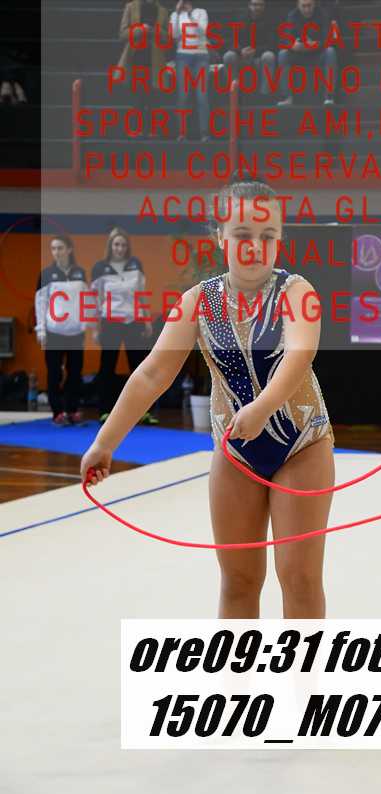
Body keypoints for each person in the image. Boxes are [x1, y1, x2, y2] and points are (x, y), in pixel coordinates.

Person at [80, 171, 336, 619]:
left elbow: (300, 354)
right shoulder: (198, 302)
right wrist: (104, 443)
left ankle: (304, 667)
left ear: (280, 239)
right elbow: (152, 374)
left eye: (267, 235)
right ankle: (237, 667)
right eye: (242, 234)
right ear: (220, 236)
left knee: (299, 577)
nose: (255, 246)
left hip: (301, 445)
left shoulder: (297, 292)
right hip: (236, 451)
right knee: (238, 581)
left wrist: (262, 408)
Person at [90, 227, 159, 425]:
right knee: (107, 367)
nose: (119, 248)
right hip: (110, 322)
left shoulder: (136, 265)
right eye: (116, 244)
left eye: (123, 245)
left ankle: (144, 412)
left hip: (133, 322)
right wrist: (95, 327)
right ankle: (105, 410)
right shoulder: (100, 268)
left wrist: (146, 320)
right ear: (110, 246)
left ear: (127, 247)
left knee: (139, 368)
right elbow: (96, 300)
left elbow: (141, 295)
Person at [35, 235, 88, 426]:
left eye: (60, 248)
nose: (56, 252)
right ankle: (57, 412)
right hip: (53, 332)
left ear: (69, 250)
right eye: (53, 249)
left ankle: (72, 409)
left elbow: (86, 298)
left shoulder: (80, 273)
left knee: (75, 373)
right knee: (54, 373)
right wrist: (41, 329)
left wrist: (85, 323)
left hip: (76, 333)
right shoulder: (46, 274)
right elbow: (40, 302)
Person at [277, 0, 338, 106]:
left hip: (317, 54)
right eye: (304, 6)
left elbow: (329, 39)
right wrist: (293, 45)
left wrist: (315, 44)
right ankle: (287, 97)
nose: (307, 9)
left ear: (314, 4)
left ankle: (329, 96)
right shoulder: (292, 15)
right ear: (298, 5)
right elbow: (285, 39)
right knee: (282, 54)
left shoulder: (323, 14)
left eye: (309, 6)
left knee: (330, 52)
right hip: (299, 54)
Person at [118, 0, 170, 121]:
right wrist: (141, 29)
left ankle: (152, 128)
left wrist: (154, 30)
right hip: (135, 59)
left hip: (155, 61)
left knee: (153, 100)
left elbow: (167, 38)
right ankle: (137, 127)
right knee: (137, 98)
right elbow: (122, 34)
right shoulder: (131, 7)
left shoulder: (163, 11)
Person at [171, 0, 210, 141]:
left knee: (202, 96)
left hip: (201, 56)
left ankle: (204, 133)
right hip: (183, 56)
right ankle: (182, 133)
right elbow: (174, 35)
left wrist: (190, 15)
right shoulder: (174, 15)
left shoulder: (201, 12)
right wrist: (177, 13)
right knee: (183, 95)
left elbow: (202, 31)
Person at [222, 0, 277, 97]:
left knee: (269, 56)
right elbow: (229, 40)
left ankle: (265, 95)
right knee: (228, 56)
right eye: (255, 4)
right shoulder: (239, 19)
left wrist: (255, 50)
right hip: (240, 56)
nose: (257, 8)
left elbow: (273, 43)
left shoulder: (271, 20)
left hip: (259, 57)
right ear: (249, 5)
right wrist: (240, 50)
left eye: (260, 5)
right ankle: (233, 93)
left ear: (264, 6)